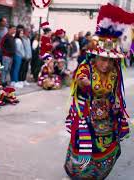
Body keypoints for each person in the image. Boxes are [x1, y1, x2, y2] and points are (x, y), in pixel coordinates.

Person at [64, 4, 132, 179]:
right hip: (87, 117)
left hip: (107, 119)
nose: (106, 64)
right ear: (96, 56)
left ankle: (97, 175)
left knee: (106, 150)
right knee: (85, 149)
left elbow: (115, 94)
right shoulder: (86, 67)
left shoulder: (115, 70)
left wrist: (117, 110)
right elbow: (80, 80)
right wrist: (84, 83)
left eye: (110, 60)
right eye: (103, 59)